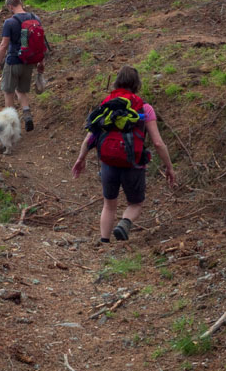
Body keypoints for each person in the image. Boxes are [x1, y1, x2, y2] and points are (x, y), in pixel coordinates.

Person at [72, 64, 176, 243]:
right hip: (133, 163)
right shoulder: (144, 108)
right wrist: (169, 167)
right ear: (137, 84)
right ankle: (124, 223)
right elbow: (158, 143)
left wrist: (81, 158)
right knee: (135, 204)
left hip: (108, 162)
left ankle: (104, 242)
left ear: (117, 82)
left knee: (109, 204)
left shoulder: (107, 104)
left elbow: (90, 137)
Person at [0, 0, 48, 133]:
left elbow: (3, 45)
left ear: (10, 6)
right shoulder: (36, 18)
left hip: (13, 61)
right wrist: (40, 62)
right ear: (21, 3)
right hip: (29, 61)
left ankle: (10, 127)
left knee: (9, 92)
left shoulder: (9, 22)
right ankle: (27, 114)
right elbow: (40, 42)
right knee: (21, 90)